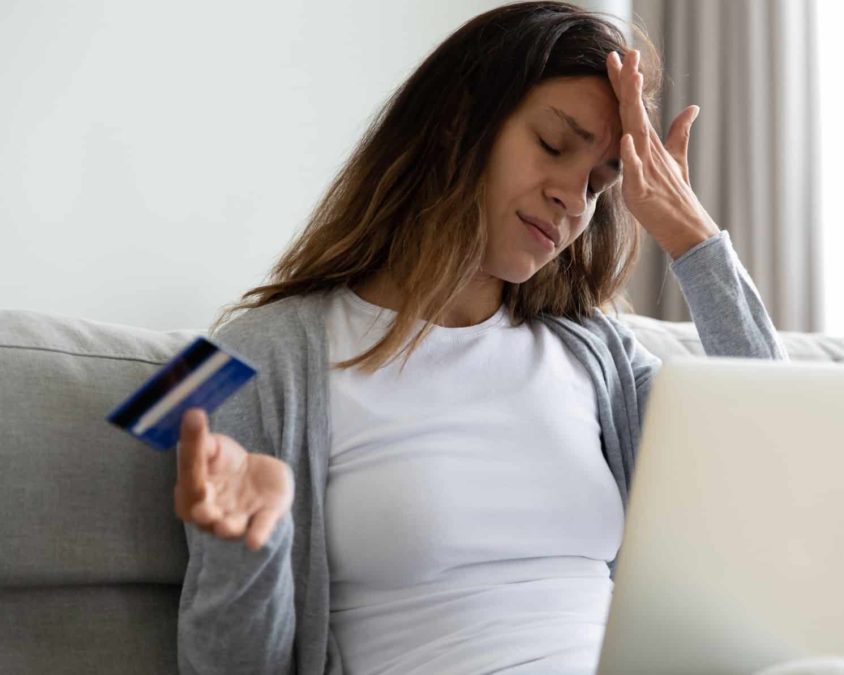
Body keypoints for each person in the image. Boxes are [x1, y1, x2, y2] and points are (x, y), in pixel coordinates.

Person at [173, 2, 800, 673]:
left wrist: (692, 237)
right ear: (457, 124)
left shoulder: (600, 356)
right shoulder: (237, 357)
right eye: (555, 146)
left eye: (599, 182)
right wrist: (243, 550)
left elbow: (785, 457)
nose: (574, 198)